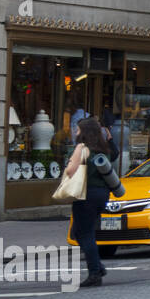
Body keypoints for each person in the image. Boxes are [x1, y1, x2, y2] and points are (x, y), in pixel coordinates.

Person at [65, 117, 112, 288]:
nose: (75, 132)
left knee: (85, 233)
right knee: (80, 231)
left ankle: (95, 273)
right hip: (102, 193)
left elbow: (71, 171)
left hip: (86, 194)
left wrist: (69, 162)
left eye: (77, 129)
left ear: (84, 132)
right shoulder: (103, 149)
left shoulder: (81, 147)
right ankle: (98, 267)